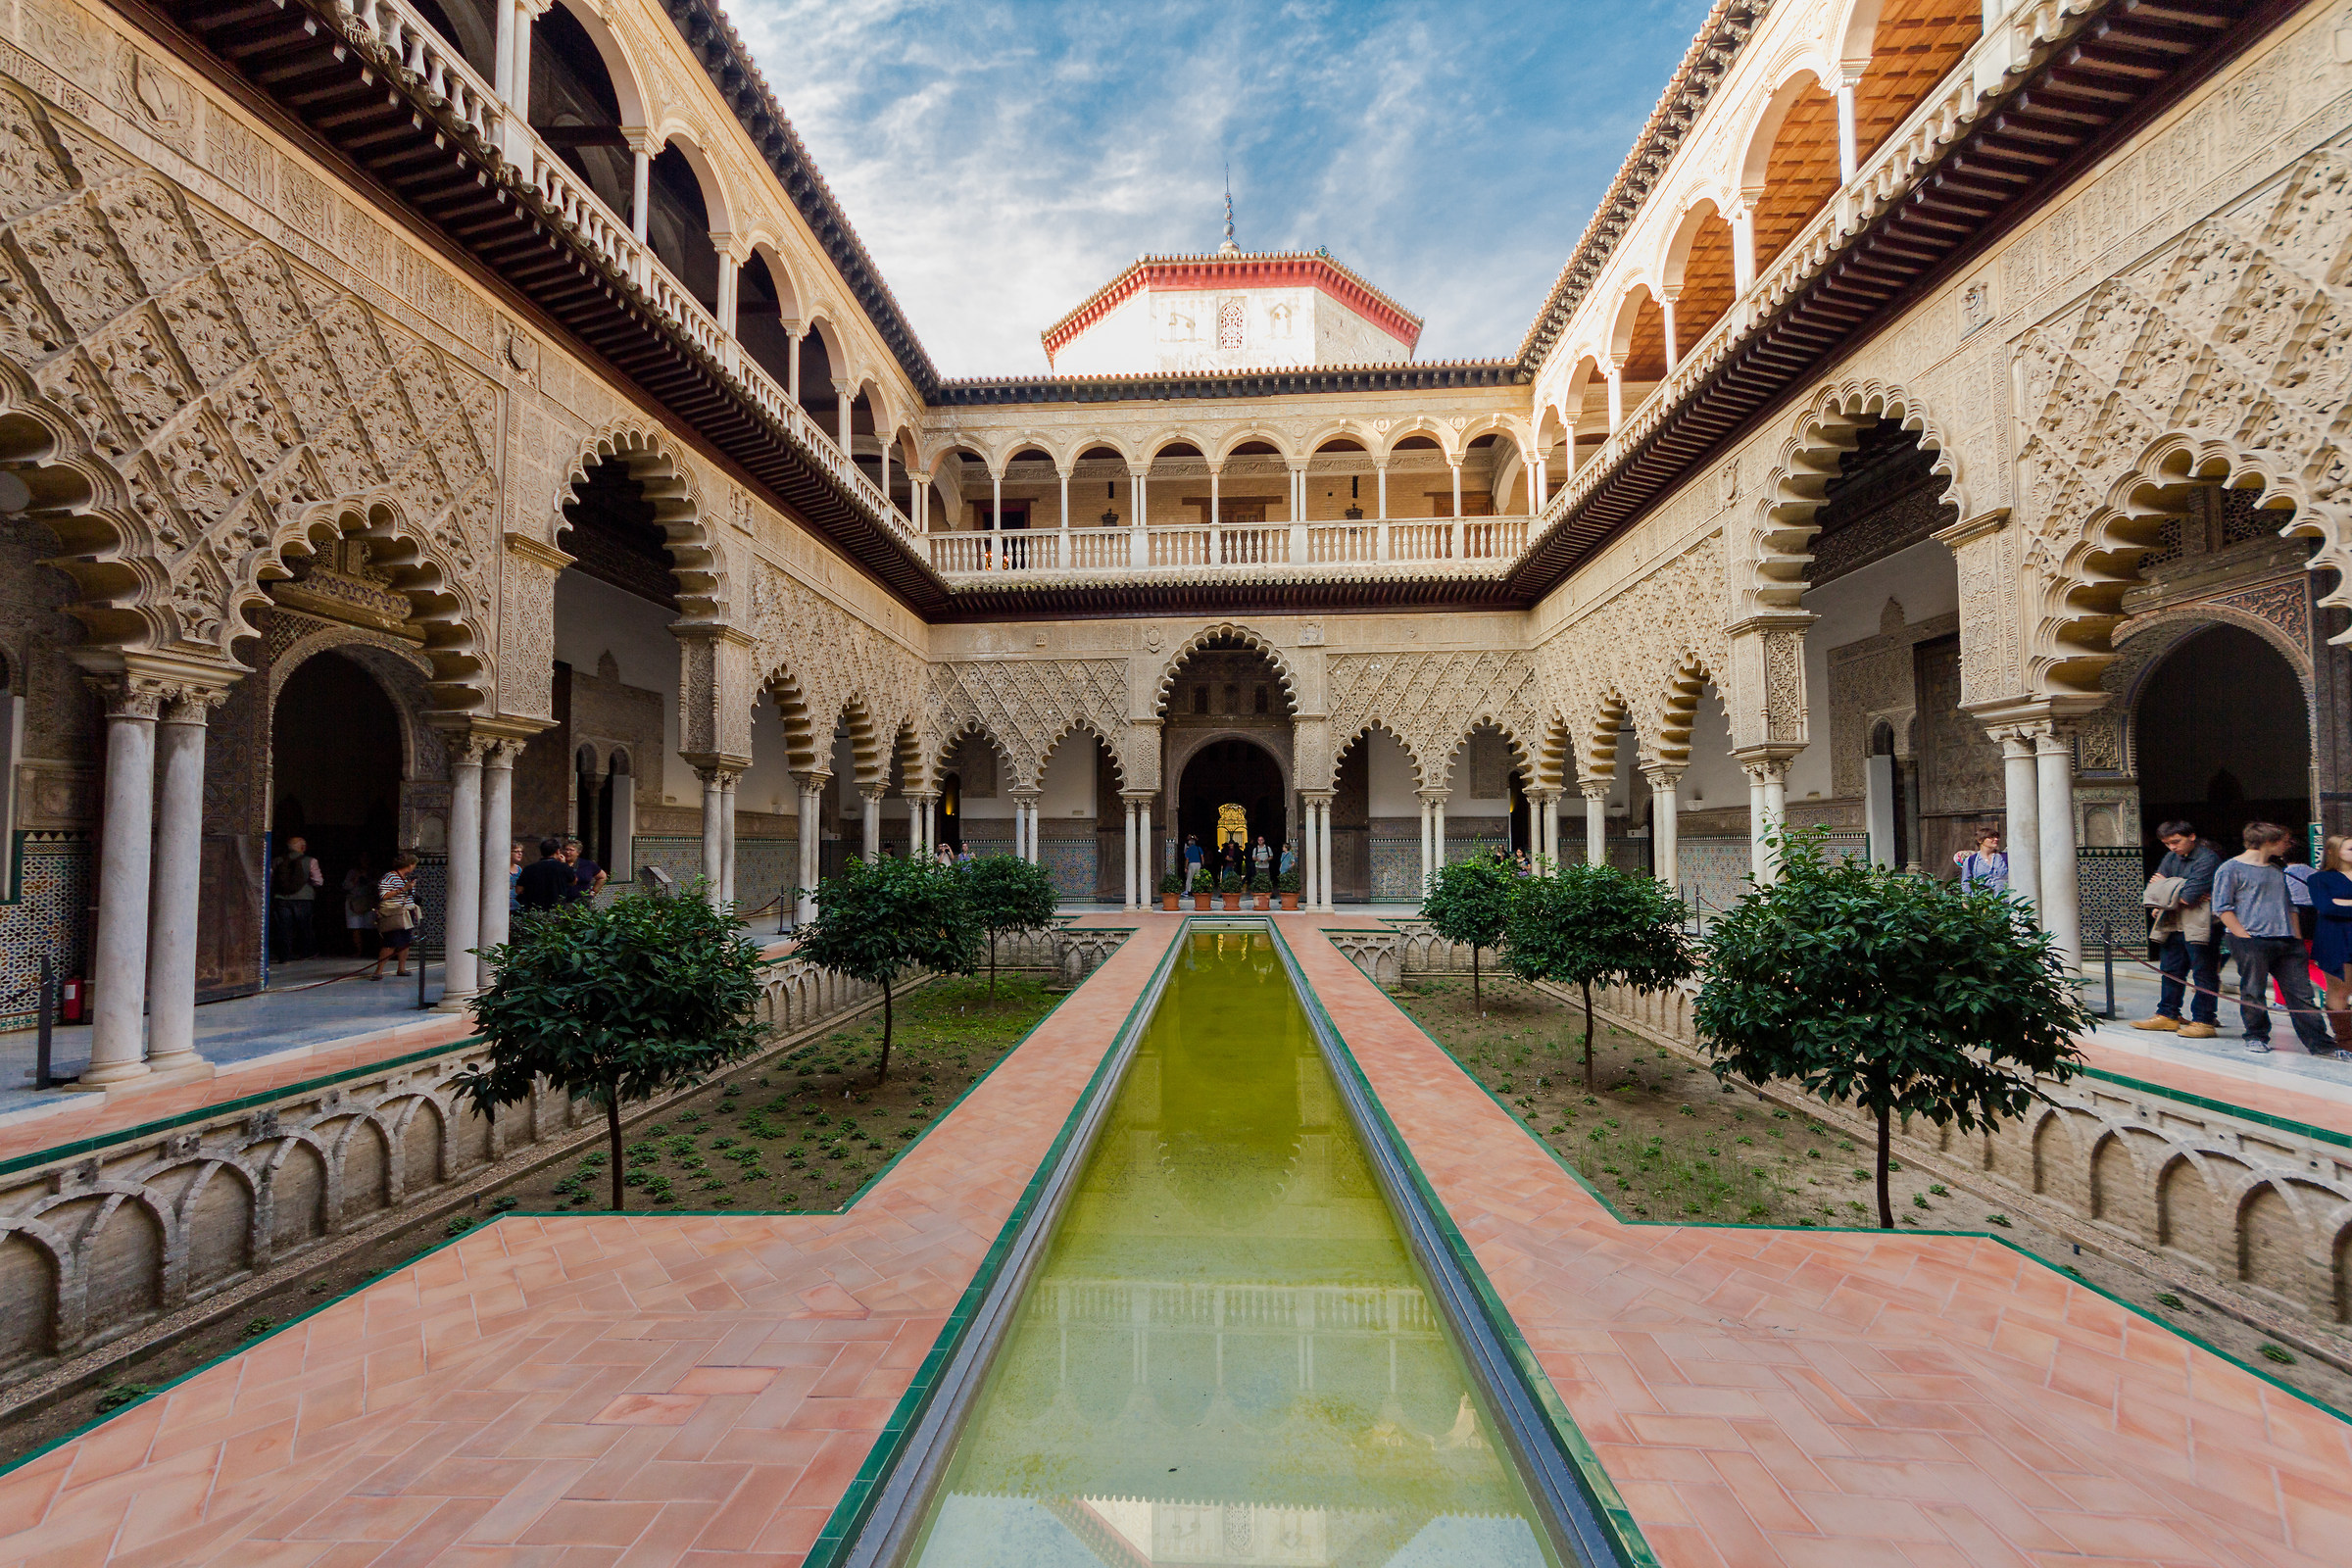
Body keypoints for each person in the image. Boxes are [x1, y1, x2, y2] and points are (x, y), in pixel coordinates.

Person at [2212, 821, 2335, 1056]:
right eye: (2284, 841)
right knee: (2253, 991)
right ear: (2268, 842)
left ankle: (2320, 1043)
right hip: (2252, 940)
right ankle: (2256, 1035)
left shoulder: (2276, 870)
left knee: (2302, 995)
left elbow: (2290, 906)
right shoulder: (2230, 869)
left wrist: (2297, 939)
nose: (2287, 846)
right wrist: (2245, 937)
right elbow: (2222, 908)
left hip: (2287, 940)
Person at [2133, 821, 2224, 1040]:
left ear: (2191, 836)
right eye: (2167, 844)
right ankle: (2167, 1014)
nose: (2172, 848)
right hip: (2173, 922)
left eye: (2176, 842)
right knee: (2170, 969)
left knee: (2204, 972)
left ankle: (2203, 1019)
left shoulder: (2208, 858)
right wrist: (2177, 887)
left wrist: (2168, 885)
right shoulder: (2170, 857)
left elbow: (2188, 896)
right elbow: (2154, 891)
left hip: (2200, 923)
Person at [2308, 834, 2352, 1056]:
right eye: (2351, 849)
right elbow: (2326, 908)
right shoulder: (2320, 879)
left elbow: (2336, 907)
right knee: (2339, 989)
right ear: (2334, 852)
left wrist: (2344, 903)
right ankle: (2345, 1039)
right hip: (2334, 938)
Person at [368, 852, 420, 980]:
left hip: (407, 912)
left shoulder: (406, 878)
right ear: (409, 865)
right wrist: (402, 889)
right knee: (391, 942)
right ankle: (379, 971)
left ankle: (401, 968)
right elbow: (383, 895)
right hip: (394, 913)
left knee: (405, 942)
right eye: (413, 864)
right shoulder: (390, 877)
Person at [270, 835, 320, 962]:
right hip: (304, 899)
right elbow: (318, 881)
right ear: (303, 847)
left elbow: (269, 879)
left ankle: (284, 956)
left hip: (281, 898)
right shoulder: (311, 861)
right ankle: (306, 953)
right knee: (304, 926)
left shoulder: (277, 860)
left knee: (283, 927)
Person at [515, 837, 573, 912]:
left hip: (534, 910)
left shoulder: (529, 869)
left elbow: (518, 889)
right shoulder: (563, 867)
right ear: (557, 851)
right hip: (557, 910)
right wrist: (564, 864)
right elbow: (573, 881)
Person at [340, 852, 378, 957]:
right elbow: (345, 886)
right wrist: (356, 879)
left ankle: (371, 950)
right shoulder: (353, 872)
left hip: (369, 902)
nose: (364, 861)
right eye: (362, 859)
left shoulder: (374, 872)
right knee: (356, 927)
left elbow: (379, 885)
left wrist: (368, 879)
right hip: (355, 902)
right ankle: (358, 951)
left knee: (371, 927)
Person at [1951, 828, 2007, 892]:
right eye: (1991, 837)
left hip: (2005, 899)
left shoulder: (2005, 857)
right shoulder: (1971, 860)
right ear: (1980, 840)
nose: (1996, 839)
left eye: (1997, 837)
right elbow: (1966, 883)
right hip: (1982, 899)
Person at [564, 837, 607, 902]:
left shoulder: (588, 864)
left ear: (578, 852)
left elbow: (602, 877)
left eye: (571, 850)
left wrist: (593, 892)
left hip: (582, 903)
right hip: (563, 902)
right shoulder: (559, 864)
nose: (567, 852)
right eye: (566, 849)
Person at [508, 840, 524, 914]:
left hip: (518, 905)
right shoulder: (502, 870)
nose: (520, 854)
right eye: (516, 851)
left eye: (521, 852)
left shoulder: (519, 869)